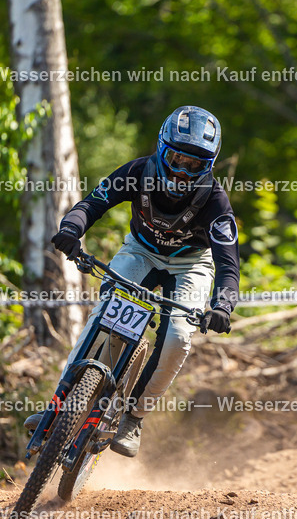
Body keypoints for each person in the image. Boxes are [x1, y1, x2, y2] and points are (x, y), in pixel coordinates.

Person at [26, 105, 240, 457]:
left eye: (195, 165)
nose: (183, 171)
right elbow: (92, 203)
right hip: (140, 251)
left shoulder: (216, 202)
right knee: (106, 312)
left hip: (189, 265)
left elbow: (228, 265)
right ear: (161, 147)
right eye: (177, 158)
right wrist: (70, 229)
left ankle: (134, 418)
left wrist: (222, 306)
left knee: (177, 338)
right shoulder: (138, 172)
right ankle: (61, 405)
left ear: (210, 166)